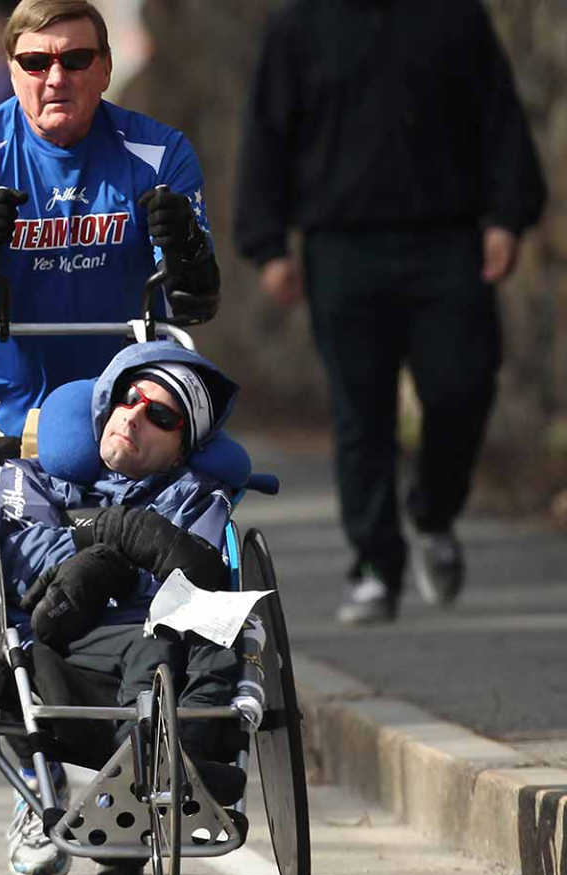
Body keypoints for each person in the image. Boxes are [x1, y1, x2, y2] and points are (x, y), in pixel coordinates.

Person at [234, 0, 546, 624]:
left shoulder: (455, 17)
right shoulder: (299, 25)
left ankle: (433, 510)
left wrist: (507, 217)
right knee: (361, 412)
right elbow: (267, 133)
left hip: (448, 239)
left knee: (463, 383)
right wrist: (268, 244)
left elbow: (500, 118)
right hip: (341, 245)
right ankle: (376, 564)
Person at [0, 340, 264, 875]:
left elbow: (204, 580)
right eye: (130, 398)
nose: (135, 416)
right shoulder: (35, 480)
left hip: (174, 673)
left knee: (210, 623)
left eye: (160, 416)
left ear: (181, 446)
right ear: (107, 404)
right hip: (59, 663)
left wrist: (124, 534)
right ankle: (150, 777)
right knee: (155, 634)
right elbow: (26, 571)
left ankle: (165, 770)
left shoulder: (194, 498)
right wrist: (113, 543)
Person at [0, 0, 221, 464]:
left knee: (221, 475)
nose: (56, 78)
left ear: (106, 68)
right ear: (12, 71)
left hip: (129, 406)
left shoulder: (161, 152)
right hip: (9, 409)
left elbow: (196, 306)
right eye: (36, 63)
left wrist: (186, 246)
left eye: (75, 60)